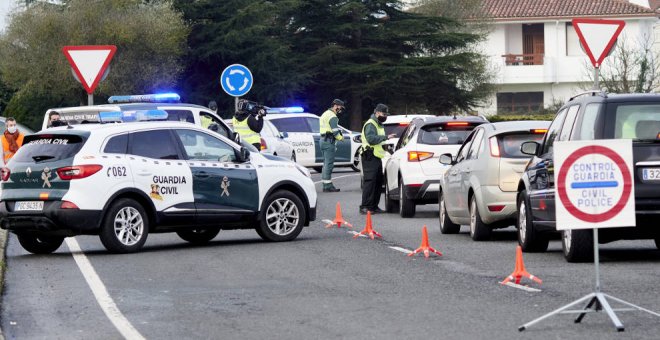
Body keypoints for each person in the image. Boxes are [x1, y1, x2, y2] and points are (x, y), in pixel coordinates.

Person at [360, 104, 396, 214]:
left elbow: (379, 142)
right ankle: (365, 206)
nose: (385, 116)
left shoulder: (378, 124)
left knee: (377, 182)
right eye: (384, 114)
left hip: (376, 156)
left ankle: (374, 206)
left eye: (386, 114)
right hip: (369, 155)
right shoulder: (371, 124)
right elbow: (371, 139)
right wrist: (386, 137)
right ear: (377, 113)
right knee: (370, 182)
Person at [319, 99, 345, 192]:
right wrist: (341, 138)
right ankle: (328, 186)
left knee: (325, 164)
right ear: (335, 106)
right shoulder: (333, 116)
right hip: (329, 141)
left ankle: (325, 184)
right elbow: (335, 131)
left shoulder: (325, 113)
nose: (341, 110)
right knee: (329, 164)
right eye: (340, 107)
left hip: (322, 140)